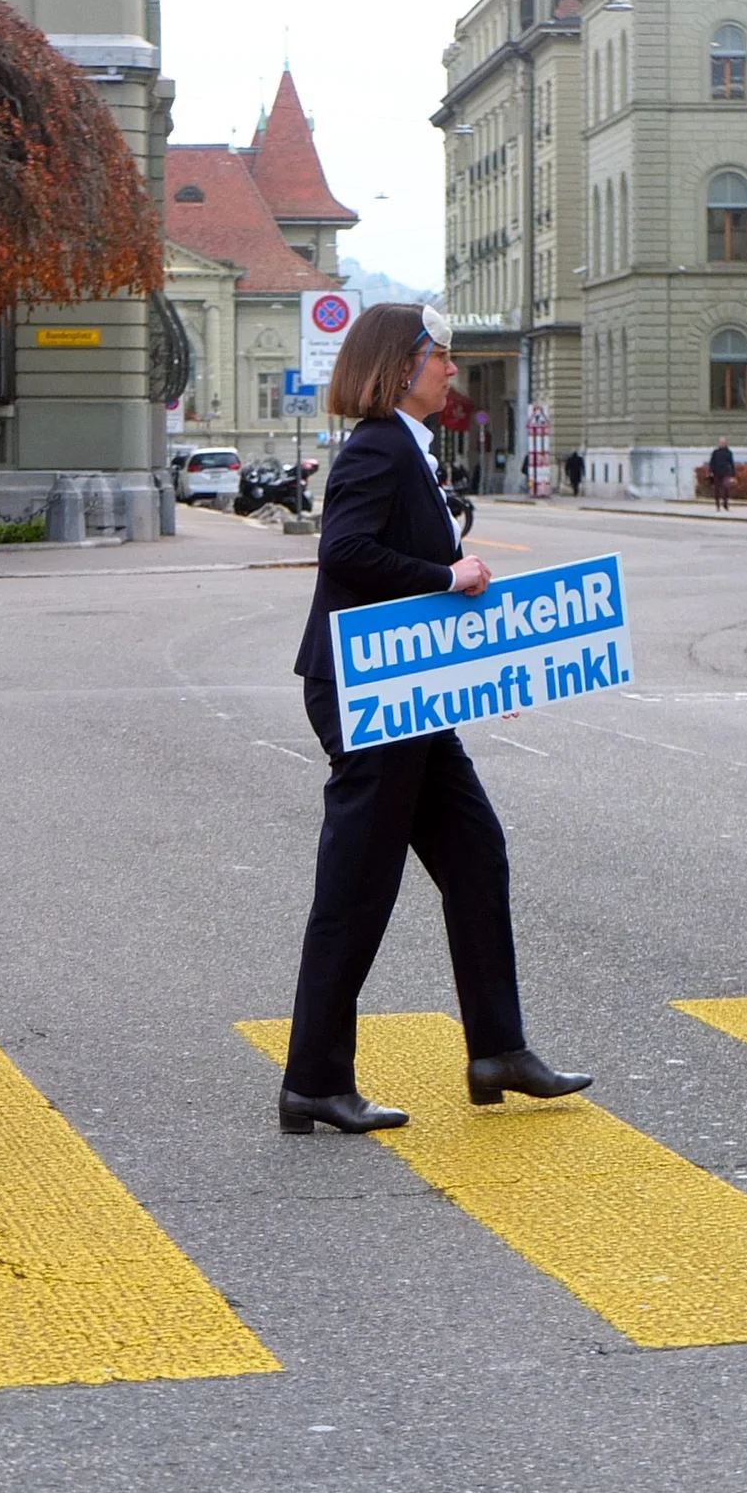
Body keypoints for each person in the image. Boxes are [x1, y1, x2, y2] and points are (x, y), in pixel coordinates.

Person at [279, 302, 590, 1135]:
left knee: (477, 854)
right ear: (400, 365)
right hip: (366, 693)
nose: (452, 370)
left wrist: (490, 668)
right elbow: (343, 552)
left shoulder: (409, 450)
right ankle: (313, 1079)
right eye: (440, 357)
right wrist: (448, 576)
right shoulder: (379, 447)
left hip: (414, 695)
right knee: (357, 887)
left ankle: (498, 1049)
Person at [706, 438, 738, 512]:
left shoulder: (729, 453)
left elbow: (732, 464)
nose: (722, 444)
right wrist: (710, 471)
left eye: (723, 442)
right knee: (717, 490)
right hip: (716, 473)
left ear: (726, 443)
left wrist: (733, 475)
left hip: (726, 473)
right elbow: (712, 462)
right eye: (721, 442)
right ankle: (717, 505)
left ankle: (725, 503)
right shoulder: (715, 452)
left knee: (726, 489)